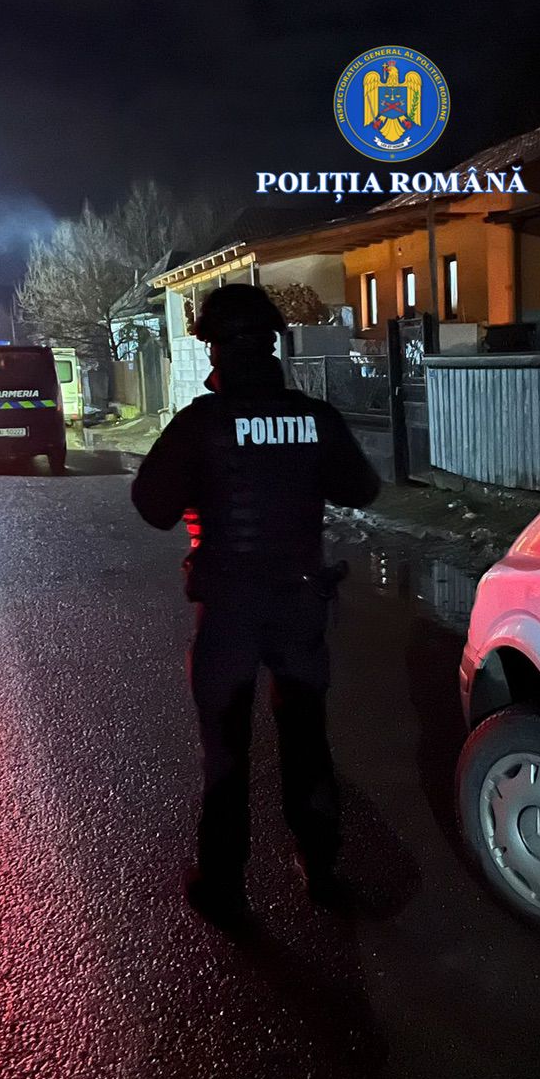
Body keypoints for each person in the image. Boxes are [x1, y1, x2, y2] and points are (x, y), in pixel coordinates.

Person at [131, 284, 380, 923]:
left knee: (227, 751)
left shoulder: (201, 423)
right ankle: (320, 866)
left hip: (229, 612)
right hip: (299, 606)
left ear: (214, 348)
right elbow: (362, 488)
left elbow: (153, 507)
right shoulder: (313, 418)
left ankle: (223, 887)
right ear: (272, 344)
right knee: (306, 738)